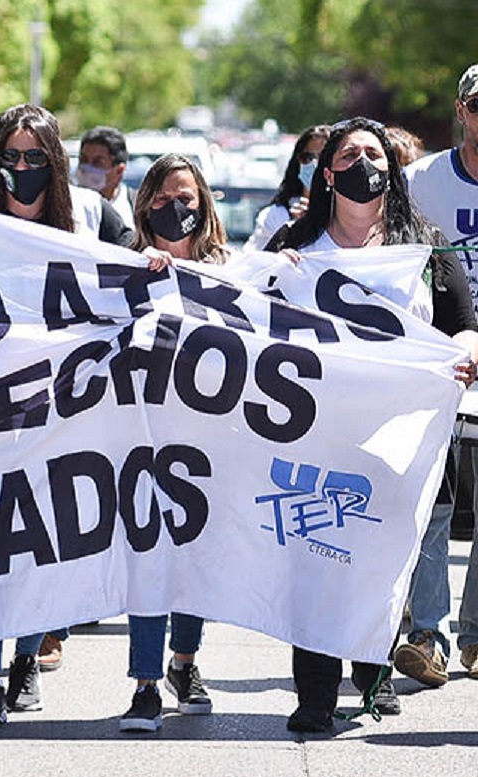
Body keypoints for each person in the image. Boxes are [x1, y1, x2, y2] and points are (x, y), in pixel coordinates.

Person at [267, 117, 478, 732]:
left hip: (397, 442)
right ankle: (313, 694)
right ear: (327, 172)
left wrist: (464, 353)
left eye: (375, 154)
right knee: (316, 557)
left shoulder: (426, 248)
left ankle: (373, 672)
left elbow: (461, 321)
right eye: (351, 154)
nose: (365, 164)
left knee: (382, 560)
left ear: (392, 169)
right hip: (315, 435)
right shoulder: (294, 250)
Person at [0, 103, 131, 728]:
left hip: (61, 412)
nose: (21, 169)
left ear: (53, 162)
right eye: (11, 158)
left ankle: (27, 658)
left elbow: (135, 277)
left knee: (35, 546)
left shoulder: (92, 214)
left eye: (34, 158)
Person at [118, 154, 230, 732]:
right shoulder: (123, 269)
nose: (175, 208)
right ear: (144, 206)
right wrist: (139, 271)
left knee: (195, 564)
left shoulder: (233, 273)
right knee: (148, 563)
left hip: (209, 446)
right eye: (162, 199)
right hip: (140, 442)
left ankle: (183, 663)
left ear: (204, 204)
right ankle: (143, 683)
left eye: (186, 198)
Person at [398, 63, 478, 690]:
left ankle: (476, 632)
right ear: (460, 110)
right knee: (436, 503)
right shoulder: (419, 183)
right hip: (437, 361)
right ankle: (430, 633)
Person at [243, 125, 330, 252]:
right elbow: (254, 263)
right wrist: (295, 229)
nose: (314, 164)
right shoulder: (275, 216)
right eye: (307, 158)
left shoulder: (347, 217)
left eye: (323, 157)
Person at [77, 125, 134, 224]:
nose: (87, 168)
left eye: (97, 163)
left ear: (119, 171)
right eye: (83, 160)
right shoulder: (69, 203)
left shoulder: (137, 207)